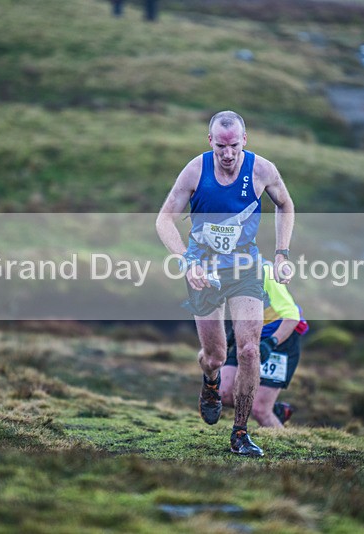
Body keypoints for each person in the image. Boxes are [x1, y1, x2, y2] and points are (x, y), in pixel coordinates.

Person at [156, 110, 295, 457]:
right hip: (202, 269)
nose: (228, 154)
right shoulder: (195, 171)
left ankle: (241, 433)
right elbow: (164, 220)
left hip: (245, 268)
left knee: (249, 350)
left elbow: (286, 205)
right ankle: (211, 382)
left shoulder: (263, 170)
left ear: (244, 140)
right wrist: (186, 261)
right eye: (221, 146)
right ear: (210, 142)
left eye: (234, 146)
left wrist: (281, 254)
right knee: (216, 355)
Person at [222, 262, 308, 428]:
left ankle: (288, 450)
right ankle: (277, 411)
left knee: (260, 410)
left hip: (281, 336)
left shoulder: (265, 272)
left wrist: (271, 342)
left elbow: (292, 316)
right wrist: (232, 335)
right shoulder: (222, 273)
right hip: (249, 335)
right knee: (225, 394)